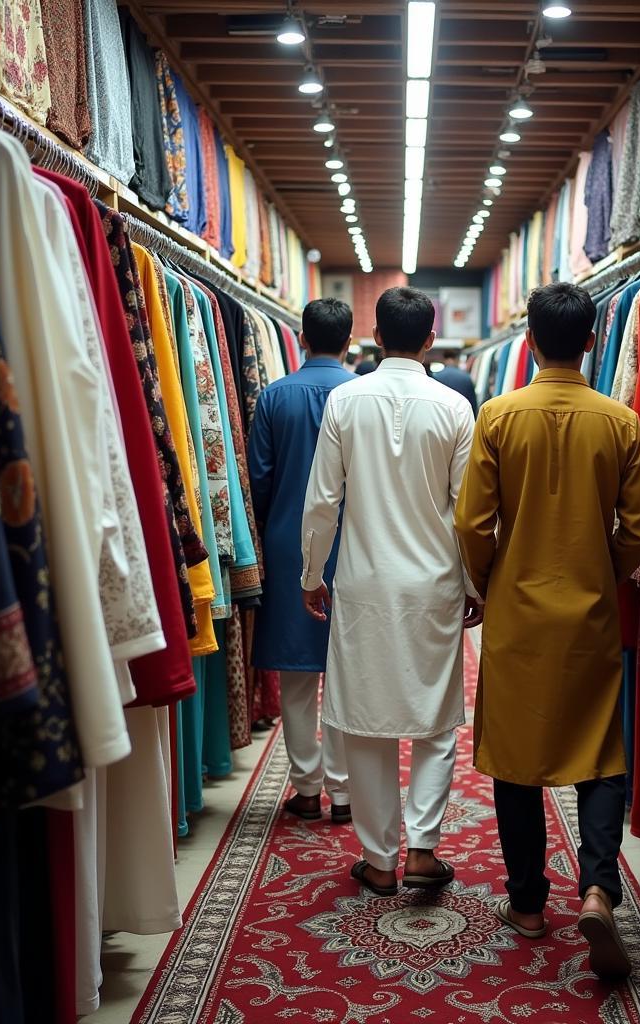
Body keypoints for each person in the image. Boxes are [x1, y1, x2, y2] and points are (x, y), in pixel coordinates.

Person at [454, 282, 640, 979]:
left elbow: (472, 523)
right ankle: (598, 889)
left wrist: (486, 580)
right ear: (594, 340)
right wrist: (604, 567)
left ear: (531, 342)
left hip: (517, 611)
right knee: (600, 752)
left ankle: (530, 904)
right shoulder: (619, 420)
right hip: (590, 608)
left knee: (517, 758)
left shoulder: (499, 415)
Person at [301, 286, 482, 897]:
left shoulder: (345, 402)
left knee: (366, 721)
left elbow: (323, 499)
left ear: (375, 335)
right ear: (431, 338)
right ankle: (424, 850)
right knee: (435, 721)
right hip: (433, 582)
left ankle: (379, 860)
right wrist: (475, 583)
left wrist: (310, 574)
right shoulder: (456, 407)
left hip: (363, 583)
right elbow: (469, 509)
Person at [247, 297, 356, 824]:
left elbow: (259, 479)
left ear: (303, 338)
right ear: (350, 339)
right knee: (346, 668)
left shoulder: (273, 397)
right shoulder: (362, 394)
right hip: (355, 541)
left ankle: (307, 788)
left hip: (291, 538)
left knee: (296, 674)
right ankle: (343, 791)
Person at [433, 348, 478, 416]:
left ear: (443, 360)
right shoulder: (466, 377)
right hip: (461, 416)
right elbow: (473, 403)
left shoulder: (436, 377)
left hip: (441, 416)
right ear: (456, 359)